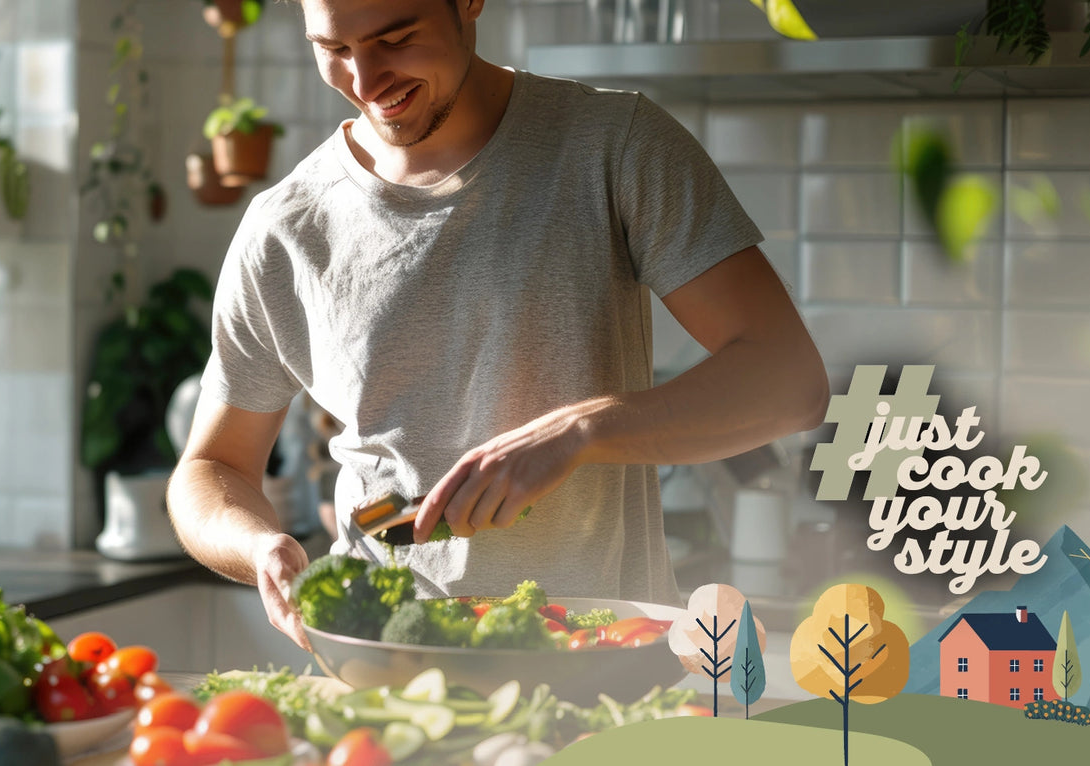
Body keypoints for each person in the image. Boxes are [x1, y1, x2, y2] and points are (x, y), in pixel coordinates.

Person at [165, 0, 829, 651]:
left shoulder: (614, 145)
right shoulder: (286, 227)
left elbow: (791, 383)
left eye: (396, 38)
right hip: (380, 663)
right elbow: (210, 469)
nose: (365, 82)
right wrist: (261, 546)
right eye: (334, 50)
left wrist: (583, 429)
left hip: (598, 659)